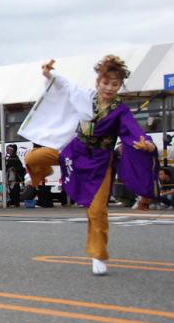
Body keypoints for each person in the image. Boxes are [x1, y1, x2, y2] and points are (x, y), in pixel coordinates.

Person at [18, 56, 157, 275]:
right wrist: (48, 74)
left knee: (97, 210)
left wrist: (146, 143)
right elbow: (64, 84)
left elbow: (133, 130)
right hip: (74, 152)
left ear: (120, 85)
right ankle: (37, 178)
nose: (109, 88)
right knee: (33, 159)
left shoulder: (120, 110)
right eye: (106, 82)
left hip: (101, 163)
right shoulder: (85, 96)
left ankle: (98, 254)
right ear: (98, 82)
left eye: (115, 84)